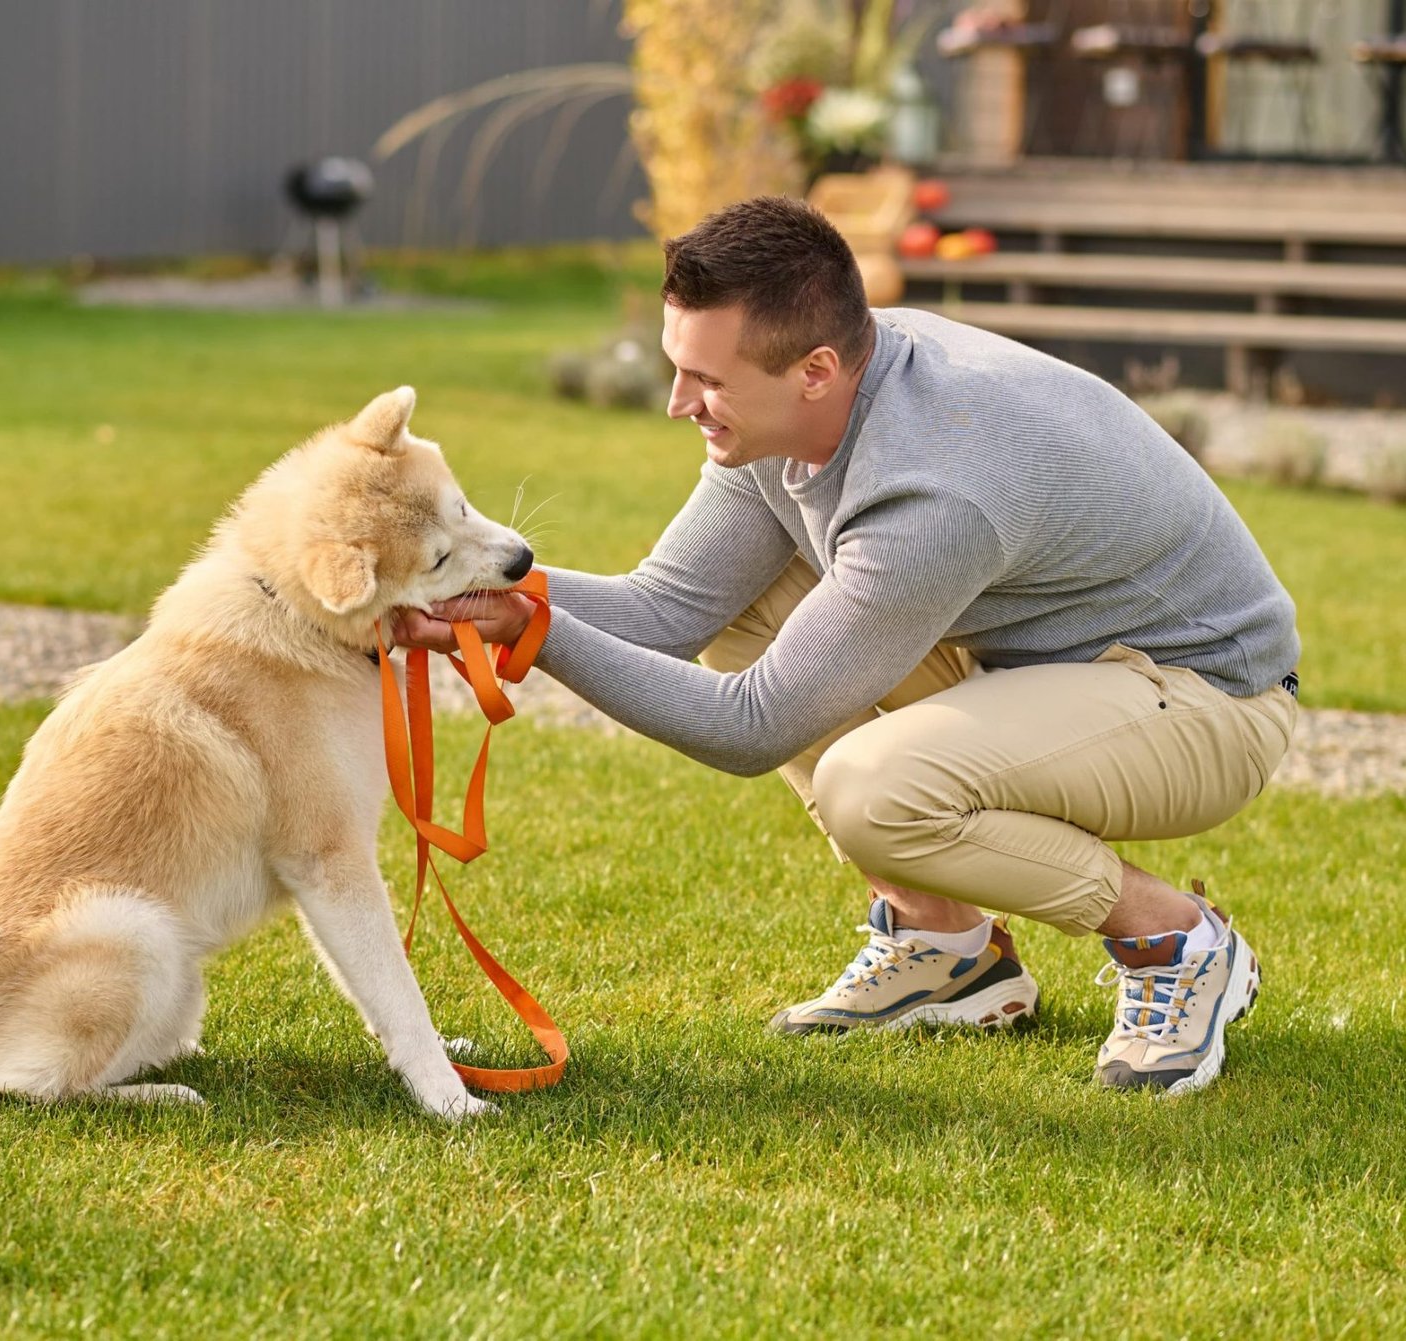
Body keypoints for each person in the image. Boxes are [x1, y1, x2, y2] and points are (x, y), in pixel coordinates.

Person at [396, 195, 1299, 1096]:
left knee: (878, 790)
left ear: (816, 368)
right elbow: (667, 607)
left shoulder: (934, 491)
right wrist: (458, 585)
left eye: (707, 379)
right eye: (680, 368)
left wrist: (531, 630)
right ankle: (946, 949)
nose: (679, 404)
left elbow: (751, 726)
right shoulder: (799, 408)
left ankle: (1178, 941)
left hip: (1204, 701)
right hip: (1052, 666)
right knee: (757, 604)